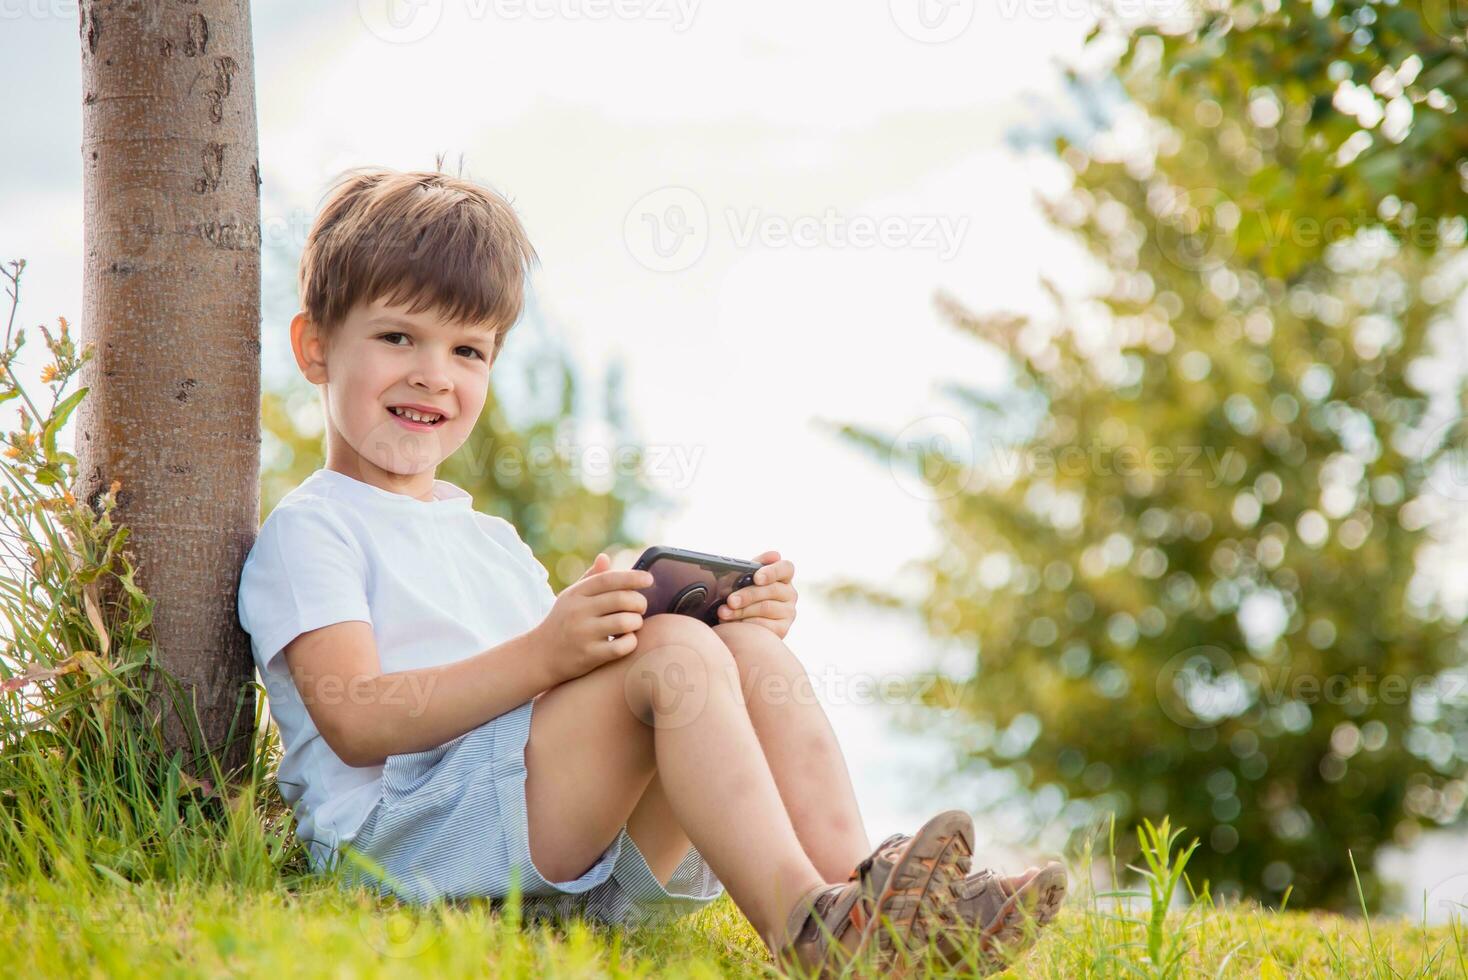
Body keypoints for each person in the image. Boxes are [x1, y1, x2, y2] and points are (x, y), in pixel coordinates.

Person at [237, 165, 1066, 974]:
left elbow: (553, 701)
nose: (434, 374)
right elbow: (356, 718)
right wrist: (552, 652)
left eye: (468, 350)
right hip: (411, 843)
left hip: (549, 851)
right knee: (672, 655)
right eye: (397, 337)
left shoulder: (486, 539)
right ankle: (811, 936)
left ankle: (869, 901)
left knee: (743, 655)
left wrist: (665, 629)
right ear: (315, 348)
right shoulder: (316, 529)